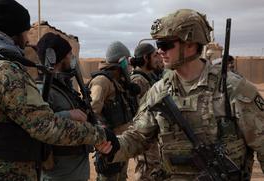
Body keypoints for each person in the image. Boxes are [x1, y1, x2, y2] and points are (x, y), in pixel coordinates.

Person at [98, 9, 264, 180]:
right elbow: (139, 136)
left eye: (165, 45)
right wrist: (114, 146)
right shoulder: (158, 91)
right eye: (158, 45)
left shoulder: (233, 89)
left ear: (190, 44)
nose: (160, 51)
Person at [0, 0, 114, 180]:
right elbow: (46, 126)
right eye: (24, 33)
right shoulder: (4, 72)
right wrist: (99, 134)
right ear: (13, 33)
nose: (26, 41)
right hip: (8, 174)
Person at [36, 32, 92, 181]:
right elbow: (35, 125)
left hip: (75, 172)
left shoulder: (63, 87)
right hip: (57, 175)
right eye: (69, 54)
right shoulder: (43, 90)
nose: (72, 58)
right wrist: (69, 115)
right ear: (60, 58)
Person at [89, 41, 138, 181]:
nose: (129, 65)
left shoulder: (118, 81)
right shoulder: (102, 81)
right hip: (109, 146)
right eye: (127, 61)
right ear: (120, 61)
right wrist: (102, 136)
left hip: (121, 145)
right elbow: (92, 112)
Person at [129, 43, 162, 181]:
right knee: (146, 173)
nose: (158, 58)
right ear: (145, 57)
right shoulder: (138, 80)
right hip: (145, 139)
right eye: (155, 55)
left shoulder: (147, 78)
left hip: (152, 138)